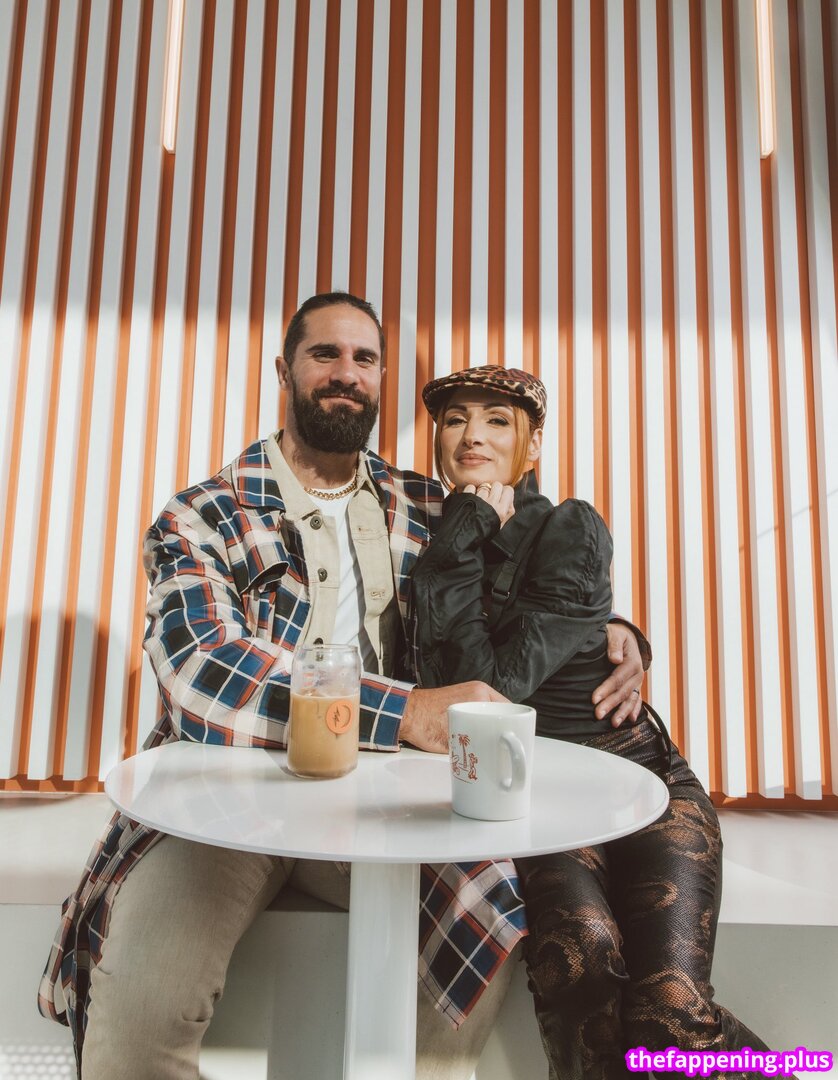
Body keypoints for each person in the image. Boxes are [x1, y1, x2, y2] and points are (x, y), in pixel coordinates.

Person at [37, 294, 646, 1080]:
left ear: (381, 379)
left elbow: (531, 579)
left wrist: (616, 632)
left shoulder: (431, 508)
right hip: (228, 794)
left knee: (488, 931)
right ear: (284, 370)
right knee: (136, 1024)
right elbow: (201, 671)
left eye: (365, 359)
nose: (346, 373)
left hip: (396, 796)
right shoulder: (203, 514)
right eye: (325, 353)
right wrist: (407, 711)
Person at [409, 364, 780, 1080]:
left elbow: (494, 692)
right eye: (455, 419)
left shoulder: (570, 526)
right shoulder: (427, 528)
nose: (472, 435)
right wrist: (462, 533)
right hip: (536, 800)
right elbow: (452, 699)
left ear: (532, 446)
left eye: (496, 421)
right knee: (581, 972)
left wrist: (623, 633)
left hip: (637, 778)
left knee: (670, 1012)